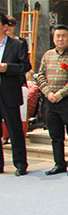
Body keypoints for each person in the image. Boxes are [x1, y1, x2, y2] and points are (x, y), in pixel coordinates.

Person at [37, 25, 68, 176]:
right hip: (50, 101)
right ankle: (59, 163)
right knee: (55, 135)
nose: (61, 39)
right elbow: (40, 76)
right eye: (58, 36)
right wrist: (48, 93)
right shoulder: (47, 55)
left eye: (64, 36)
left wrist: (61, 94)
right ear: (53, 38)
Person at [0, 14, 31, 176]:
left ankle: (20, 164)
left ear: (5, 26)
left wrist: (7, 68)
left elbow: (25, 66)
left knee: (14, 129)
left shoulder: (17, 44)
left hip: (9, 92)